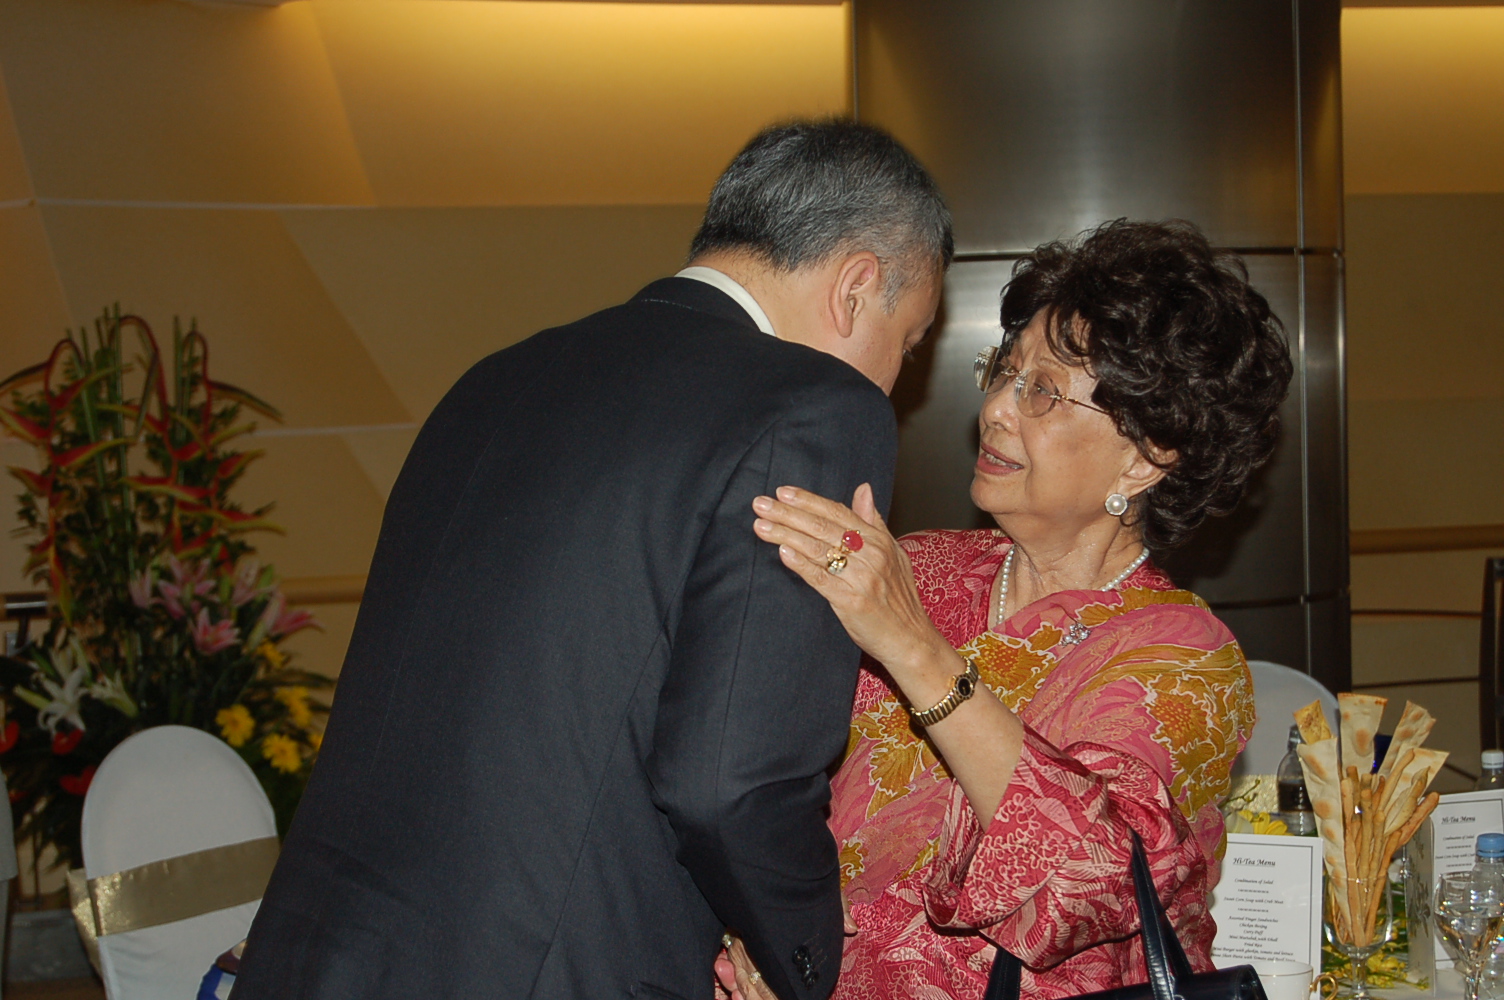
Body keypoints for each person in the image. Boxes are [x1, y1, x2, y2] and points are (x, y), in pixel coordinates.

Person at [231, 120, 951, 1000]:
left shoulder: (495, 379)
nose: (893, 383)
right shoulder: (811, 406)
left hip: (324, 954)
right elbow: (728, 781)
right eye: (907, 343)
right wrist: (802, 951)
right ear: (856, 287)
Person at [738, 220, 1293, 999]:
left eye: (1042, 392)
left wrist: (915, 649)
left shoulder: (1183, 657)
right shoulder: (921, 569)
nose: (997, 407)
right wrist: (757, 930)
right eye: (1005, 370)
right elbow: (763, 773)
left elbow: (1086, 877)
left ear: (1145, 457)